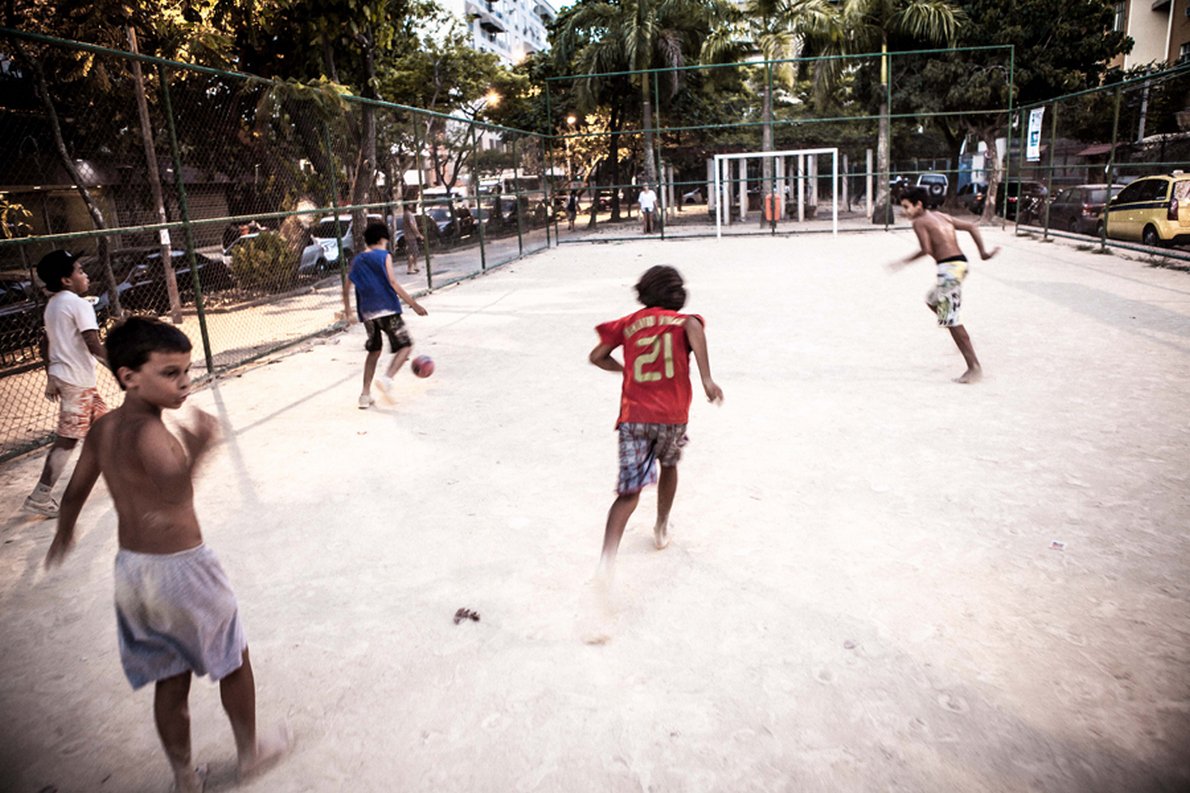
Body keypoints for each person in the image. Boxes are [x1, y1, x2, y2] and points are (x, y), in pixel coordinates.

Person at [44, 317, 288, 793]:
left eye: (186, 371)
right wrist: (198, 449)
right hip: (183, 570)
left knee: (170, 677)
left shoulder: (104, 429)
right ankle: (250, 754)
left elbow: (74, 492)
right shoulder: (152, 433)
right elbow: (174, 495)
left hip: (133, 572)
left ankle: (183, 778)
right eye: (171, 373)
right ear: (128, 376)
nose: (184, 383)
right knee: (233, 659)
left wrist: (64, 535)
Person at [588, 265, 723, 591]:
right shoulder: (684, 322)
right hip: (672, 417)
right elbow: (694, 327)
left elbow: (597, 356)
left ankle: (607, 559)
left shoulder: (629, 324)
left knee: (628, 493)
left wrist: (625, 370)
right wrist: (707, 380)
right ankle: (661, 525)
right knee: (670, 464)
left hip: (634, 418)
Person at [23, 250, 108, 518]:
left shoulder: (54, 305)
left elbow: (46, 342)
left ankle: (128, 471)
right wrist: (122, 369)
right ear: (66, 280)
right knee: (68, 439)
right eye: (80, 271)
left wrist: (51, 373)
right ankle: (41, 494)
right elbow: (93, 344)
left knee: (106, 428)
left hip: (71, 378)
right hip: (77, 382)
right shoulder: (79, 304)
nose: (86, 275)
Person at [889, 186, 999, 384]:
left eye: (906, 207)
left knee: (951, 319)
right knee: (932, 300)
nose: (904, 212)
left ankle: (973, 367)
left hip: (949, 269)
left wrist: (902, 262)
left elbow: (926, 249)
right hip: (960, 264)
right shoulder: (942, 215)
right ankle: (958, 335)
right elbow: (972, 227)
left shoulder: (920, 222)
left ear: (918, 205)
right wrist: (983, 253)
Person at [349, 221, 428, 409]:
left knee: (374, 351)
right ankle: (387, 378)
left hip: (367, 314)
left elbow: (347, 287)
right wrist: (414, 304)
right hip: (387, 310)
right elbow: (392, 282)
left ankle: (365, 395)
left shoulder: (358, 259)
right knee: (406, 345)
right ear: (383, 239)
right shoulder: (384, 255)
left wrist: (347, 311)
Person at [401, 199, 424, 275]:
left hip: (409, 236)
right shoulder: (408, 214)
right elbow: (412, 225)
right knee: (411, 252)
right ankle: (410, 269)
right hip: (410, 236)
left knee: (414, 252)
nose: (412, 205)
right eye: (410, 203)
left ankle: (415, 266)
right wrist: (418, 234)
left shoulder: (406, 214)